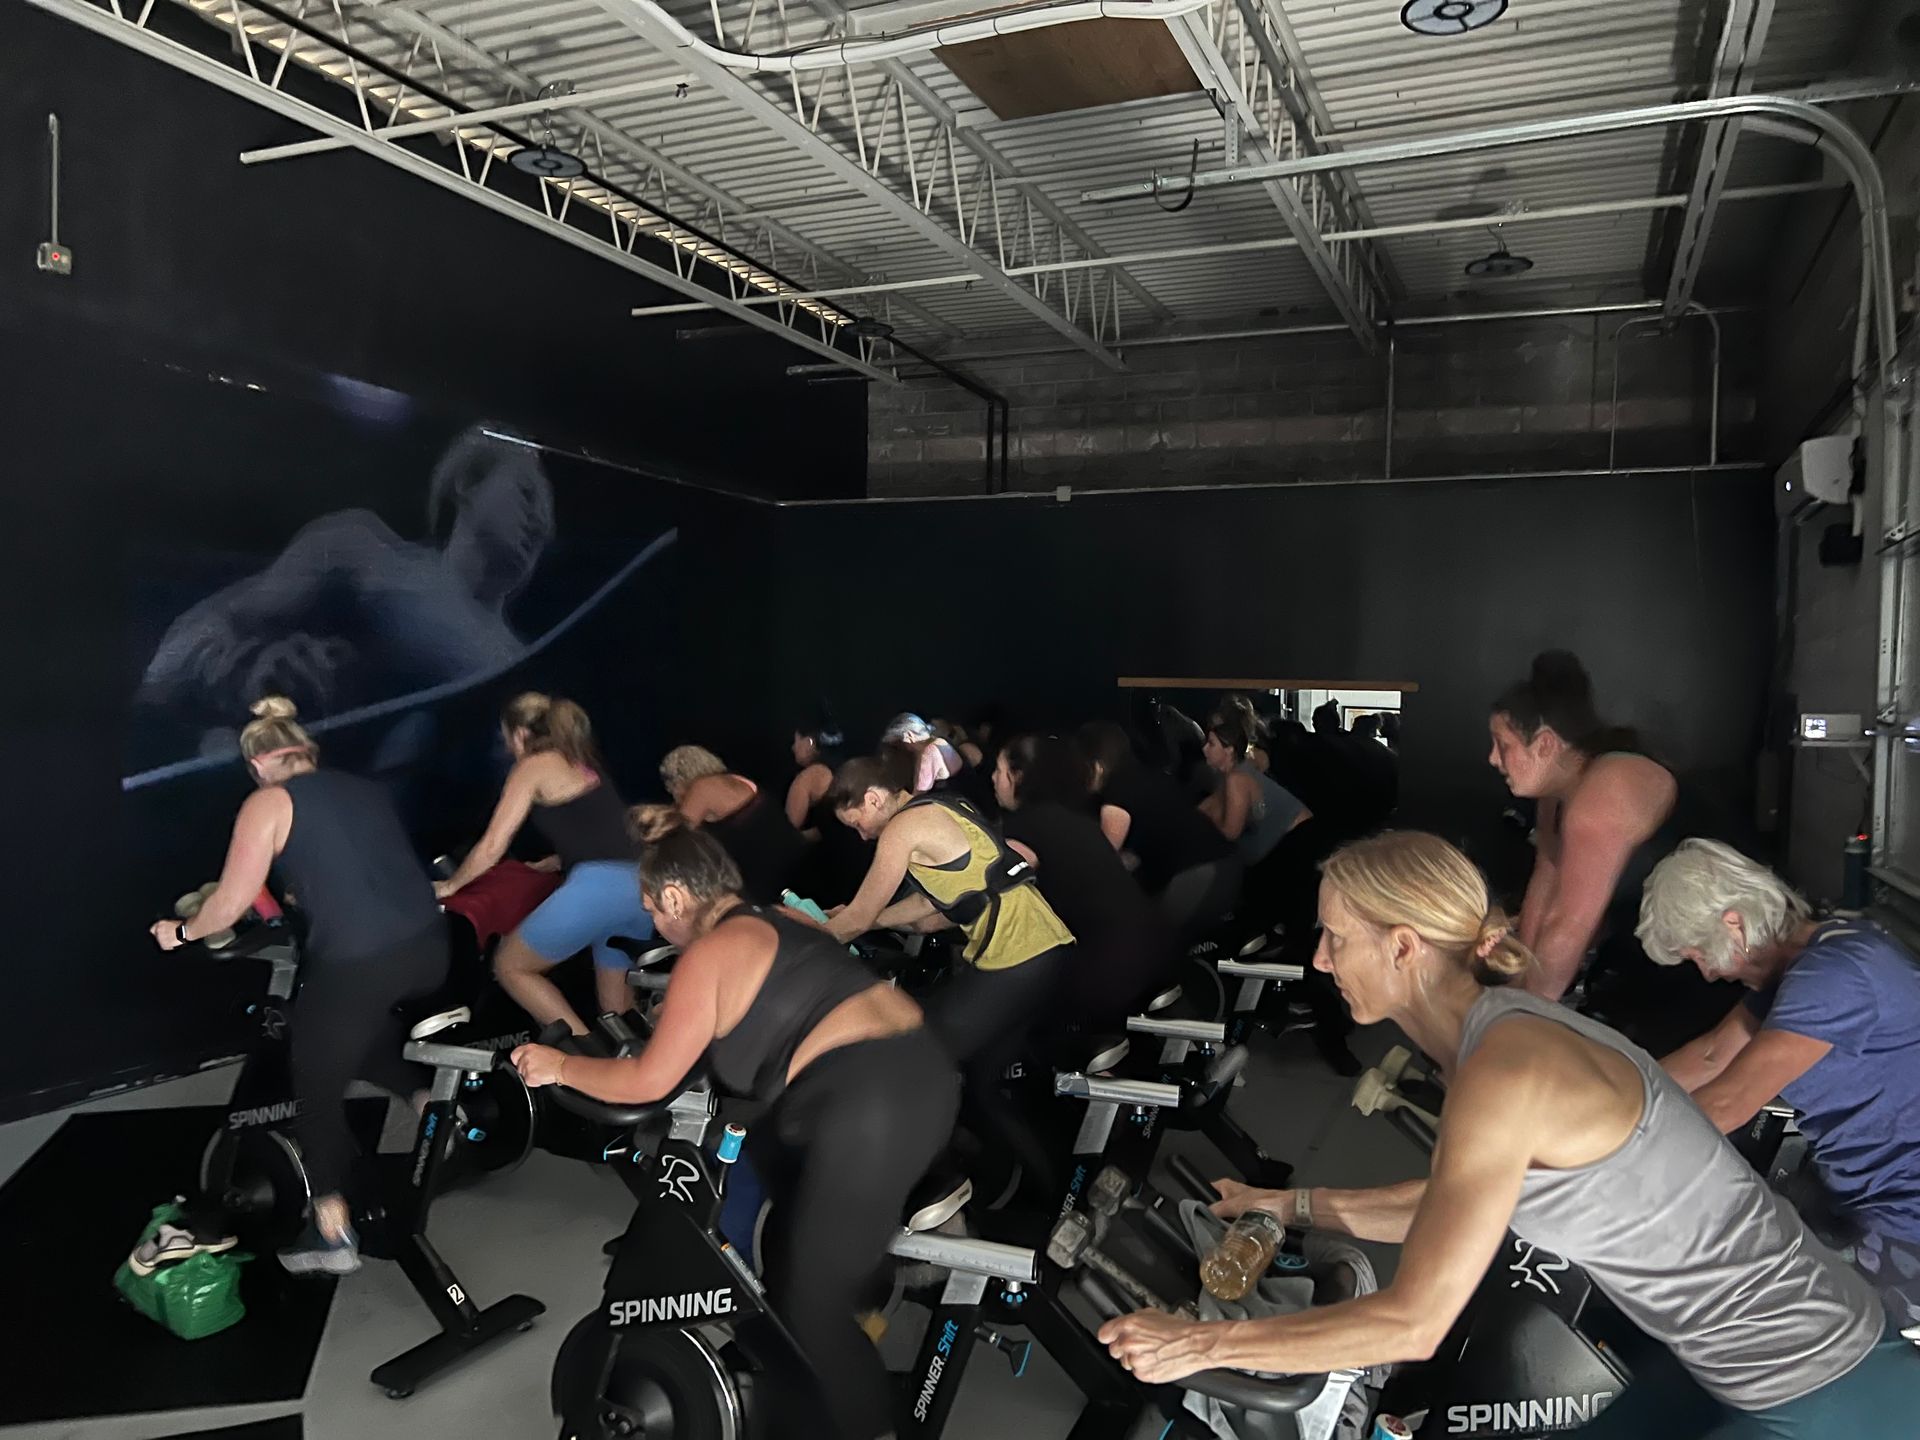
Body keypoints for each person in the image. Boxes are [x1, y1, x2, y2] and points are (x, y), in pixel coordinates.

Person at [1096, 830, 1915, 1435]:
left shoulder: (1505, 1070)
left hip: (1814, 1386)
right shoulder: (1501, 1034)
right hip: (1754, 1355)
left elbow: (1413, 1321)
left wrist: (1196, 1346)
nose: (1318, 960)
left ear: (1404, 947)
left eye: (1336, 937)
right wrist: (1296, 1205)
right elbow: (1463, 1205)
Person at [509, 830, 956, 1440]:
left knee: (810, 1305)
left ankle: (869, 1420)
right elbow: (774, 1019)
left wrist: (556, 1064)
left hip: (869, 1106)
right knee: (782, 1249)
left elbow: (647, 1081)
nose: (652, 924)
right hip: (916, 1074)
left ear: (673, 897)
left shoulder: (711, 952)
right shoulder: (773, 919)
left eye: (649, 910)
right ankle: (809, 1381)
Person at [149, 697, 446, 1275]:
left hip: (362, 961)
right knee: (359, 1030)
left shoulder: (266, 802)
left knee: (315, 1085)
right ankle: (432, 1105)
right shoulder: (363, 788)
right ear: (308, 752)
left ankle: (332, 1234)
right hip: (431, 950)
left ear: (258, 765)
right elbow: (361, 868)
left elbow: (228, 904)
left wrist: (180, 931)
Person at [1641, 839, 1920, 1338]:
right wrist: (1604, 1092)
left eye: (1701, 955)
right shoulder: (1811, 961)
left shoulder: (1836, 975)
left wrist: (1605, 1151)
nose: (1708, 973)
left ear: (1734, 924)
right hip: (1865, 1193)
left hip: (1906, 1211)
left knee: (1822, 1350)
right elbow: (1710, 1057)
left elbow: (1729, 1101)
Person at [825, 753, 1074, 1197]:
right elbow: (927, 913)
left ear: (874, 798)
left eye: (858, 822)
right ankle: (1046, 1194)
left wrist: (807, 935)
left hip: (1015, 958)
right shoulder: (939, 807)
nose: (862, 836)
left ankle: (935, 1191)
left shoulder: (902, 828)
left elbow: (858, 919)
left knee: (913, 1055)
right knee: (983, 1083)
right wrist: (862, 919)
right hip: (1043, 950)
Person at [435, 693, 647, 1035]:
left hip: (598, 889)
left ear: (519, 734)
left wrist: (450, 885)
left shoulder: (533, 765)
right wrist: (555, 861)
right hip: (639, 885)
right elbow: (603, 830)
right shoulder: (579, 759)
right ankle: (631, 1072)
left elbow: (491, 846)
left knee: (511, 967)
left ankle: (581, 1061)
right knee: (617, 1012)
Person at [1489, 651, 1678, 1002]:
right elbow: (1545, 882)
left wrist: (1522, 1016)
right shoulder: (1556, 794)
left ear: (1545, 744)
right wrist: (1517, 983)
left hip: (1700, 957)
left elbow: (1571, 923)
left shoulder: (1607, 787)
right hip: (1635, 947)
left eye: (1503, 746)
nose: (1493, 759)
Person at [994, 734, 1175, 1029]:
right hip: (1153, 944)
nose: (993, 778)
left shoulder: (1027, 827)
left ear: (1019, 776)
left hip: (1112, 961)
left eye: (999, 771)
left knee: (1017, 1009)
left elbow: (989, 884)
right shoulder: (1077, 820)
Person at [1076, 720, 1241, 943]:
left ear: (1096, 765)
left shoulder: (1117, 792)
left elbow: (1104, 861)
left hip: (1202, 873)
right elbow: (1144, 846)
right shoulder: (1143, 777)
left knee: (1147, 940)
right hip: (1224, 866)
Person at [660, 744, 806, 905]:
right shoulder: (737, 780)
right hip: (794, 858)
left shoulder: (702, 789)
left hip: (765, 879)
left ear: (679, 779)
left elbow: (676, 834)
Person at [1198, 713, 1310, 867]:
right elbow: (1208, 807)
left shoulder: (1236, 779)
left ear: (1229, 750)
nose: (1204, 749)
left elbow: (1230, 833)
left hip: (1301, 840)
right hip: (1290, 840)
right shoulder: (1228, 776)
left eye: (1211, 744)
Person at [784, 722, 843, 836]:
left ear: (809, 742)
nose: (793, 748)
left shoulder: (809, 778)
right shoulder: (845, 770)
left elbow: (788, 833)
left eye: (795, 741)